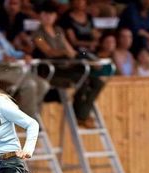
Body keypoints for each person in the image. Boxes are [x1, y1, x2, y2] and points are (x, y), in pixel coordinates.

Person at [33, 0, 105, 128]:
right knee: (82, 80)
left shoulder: (58, 30)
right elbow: (48, 52)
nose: (49, 17)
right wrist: (65, 52)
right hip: (51, 70)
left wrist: (85, 57)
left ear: (55, 16)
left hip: (66, 67)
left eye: (51, 14)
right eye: (46, 14)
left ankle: (82, 113)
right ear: (41, 16)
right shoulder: (38, 34)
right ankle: (81, 115)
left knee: (97, 82)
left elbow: (70, 50)